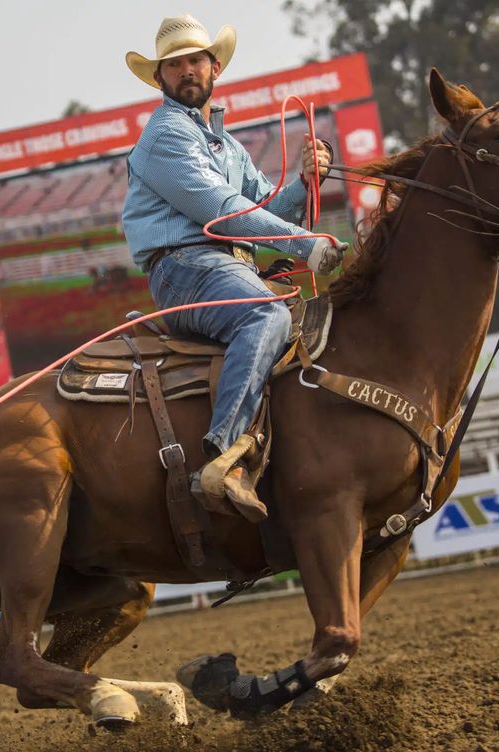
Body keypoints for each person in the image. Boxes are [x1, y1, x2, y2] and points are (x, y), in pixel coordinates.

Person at [122, 15, 347, 521]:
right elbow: (223, 212)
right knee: (267, 316)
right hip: (184, 267)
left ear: (214, 66)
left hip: (221, 265)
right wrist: (304, 244)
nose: (185, 71)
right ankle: (228, 454)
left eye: (193, 61)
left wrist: (306, 181)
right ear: (159, 79)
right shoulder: (164, 137)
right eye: (172, 65)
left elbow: (264, 205)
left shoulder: (228, 145)